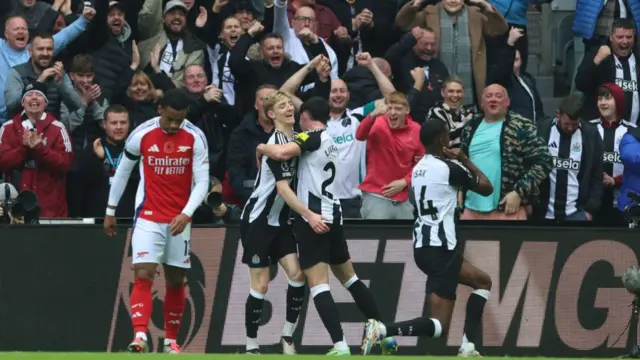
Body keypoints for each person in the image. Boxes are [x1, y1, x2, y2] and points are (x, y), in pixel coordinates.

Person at [257, 97, 398, 356]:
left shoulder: (311, 137)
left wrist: (261, 146)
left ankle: (340, 344)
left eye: (300, 114)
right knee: (350, 278)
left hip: (314, 218)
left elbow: (280, 152)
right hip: (335, 214)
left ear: (307, 116)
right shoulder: (331, 140)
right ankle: (385, 335)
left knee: (318, 284)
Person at [361, 116, 493, 357]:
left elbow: (414, 198)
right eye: (446, 134)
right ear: (442, 139)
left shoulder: (418, 168)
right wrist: (464, 159)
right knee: (439, 326)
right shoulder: (450, 168)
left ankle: (467, 346)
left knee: (482, 282)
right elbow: (487, 187)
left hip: (424, 245)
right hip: (440, 248)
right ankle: (381, 330)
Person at [102, 88, 210, 354]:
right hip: (148, 216)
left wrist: (187, 213)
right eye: (170, 119)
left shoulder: (195, 137)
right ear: (160, 109)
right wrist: (110, 209)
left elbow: (203, 181)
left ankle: (171, 340)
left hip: (178, 220)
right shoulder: (141, 134)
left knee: (175, 281)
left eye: (180, 120)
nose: (174, 125)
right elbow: (123, 172)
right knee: (143, 273)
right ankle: (139, 335)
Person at [239, 90, 305, 355]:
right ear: (271, 114)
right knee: (262, 284)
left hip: (281, 222)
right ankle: (251, 344)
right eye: (282, 106)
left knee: (298, 276)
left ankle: (287, 335)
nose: (289, 108)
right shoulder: (276, 144)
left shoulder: (298, 139)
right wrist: (308, 215)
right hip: (257, 220)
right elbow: (281, 184)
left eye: (290, 104)